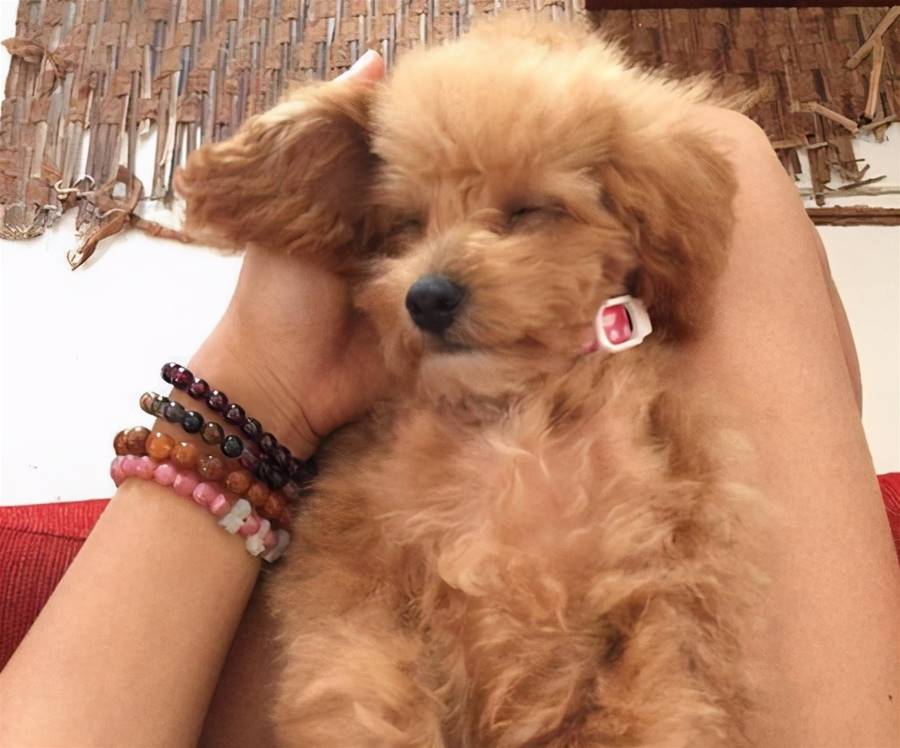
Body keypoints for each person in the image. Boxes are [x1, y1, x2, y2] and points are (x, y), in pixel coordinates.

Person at [0, 50, 897, 748]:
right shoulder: (388, 466)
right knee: (732, 143)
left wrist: (261, 384)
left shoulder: (655, 423)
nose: (434, 276)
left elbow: (683, 630)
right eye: (407, 223)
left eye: (524, 214)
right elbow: (345, 627)